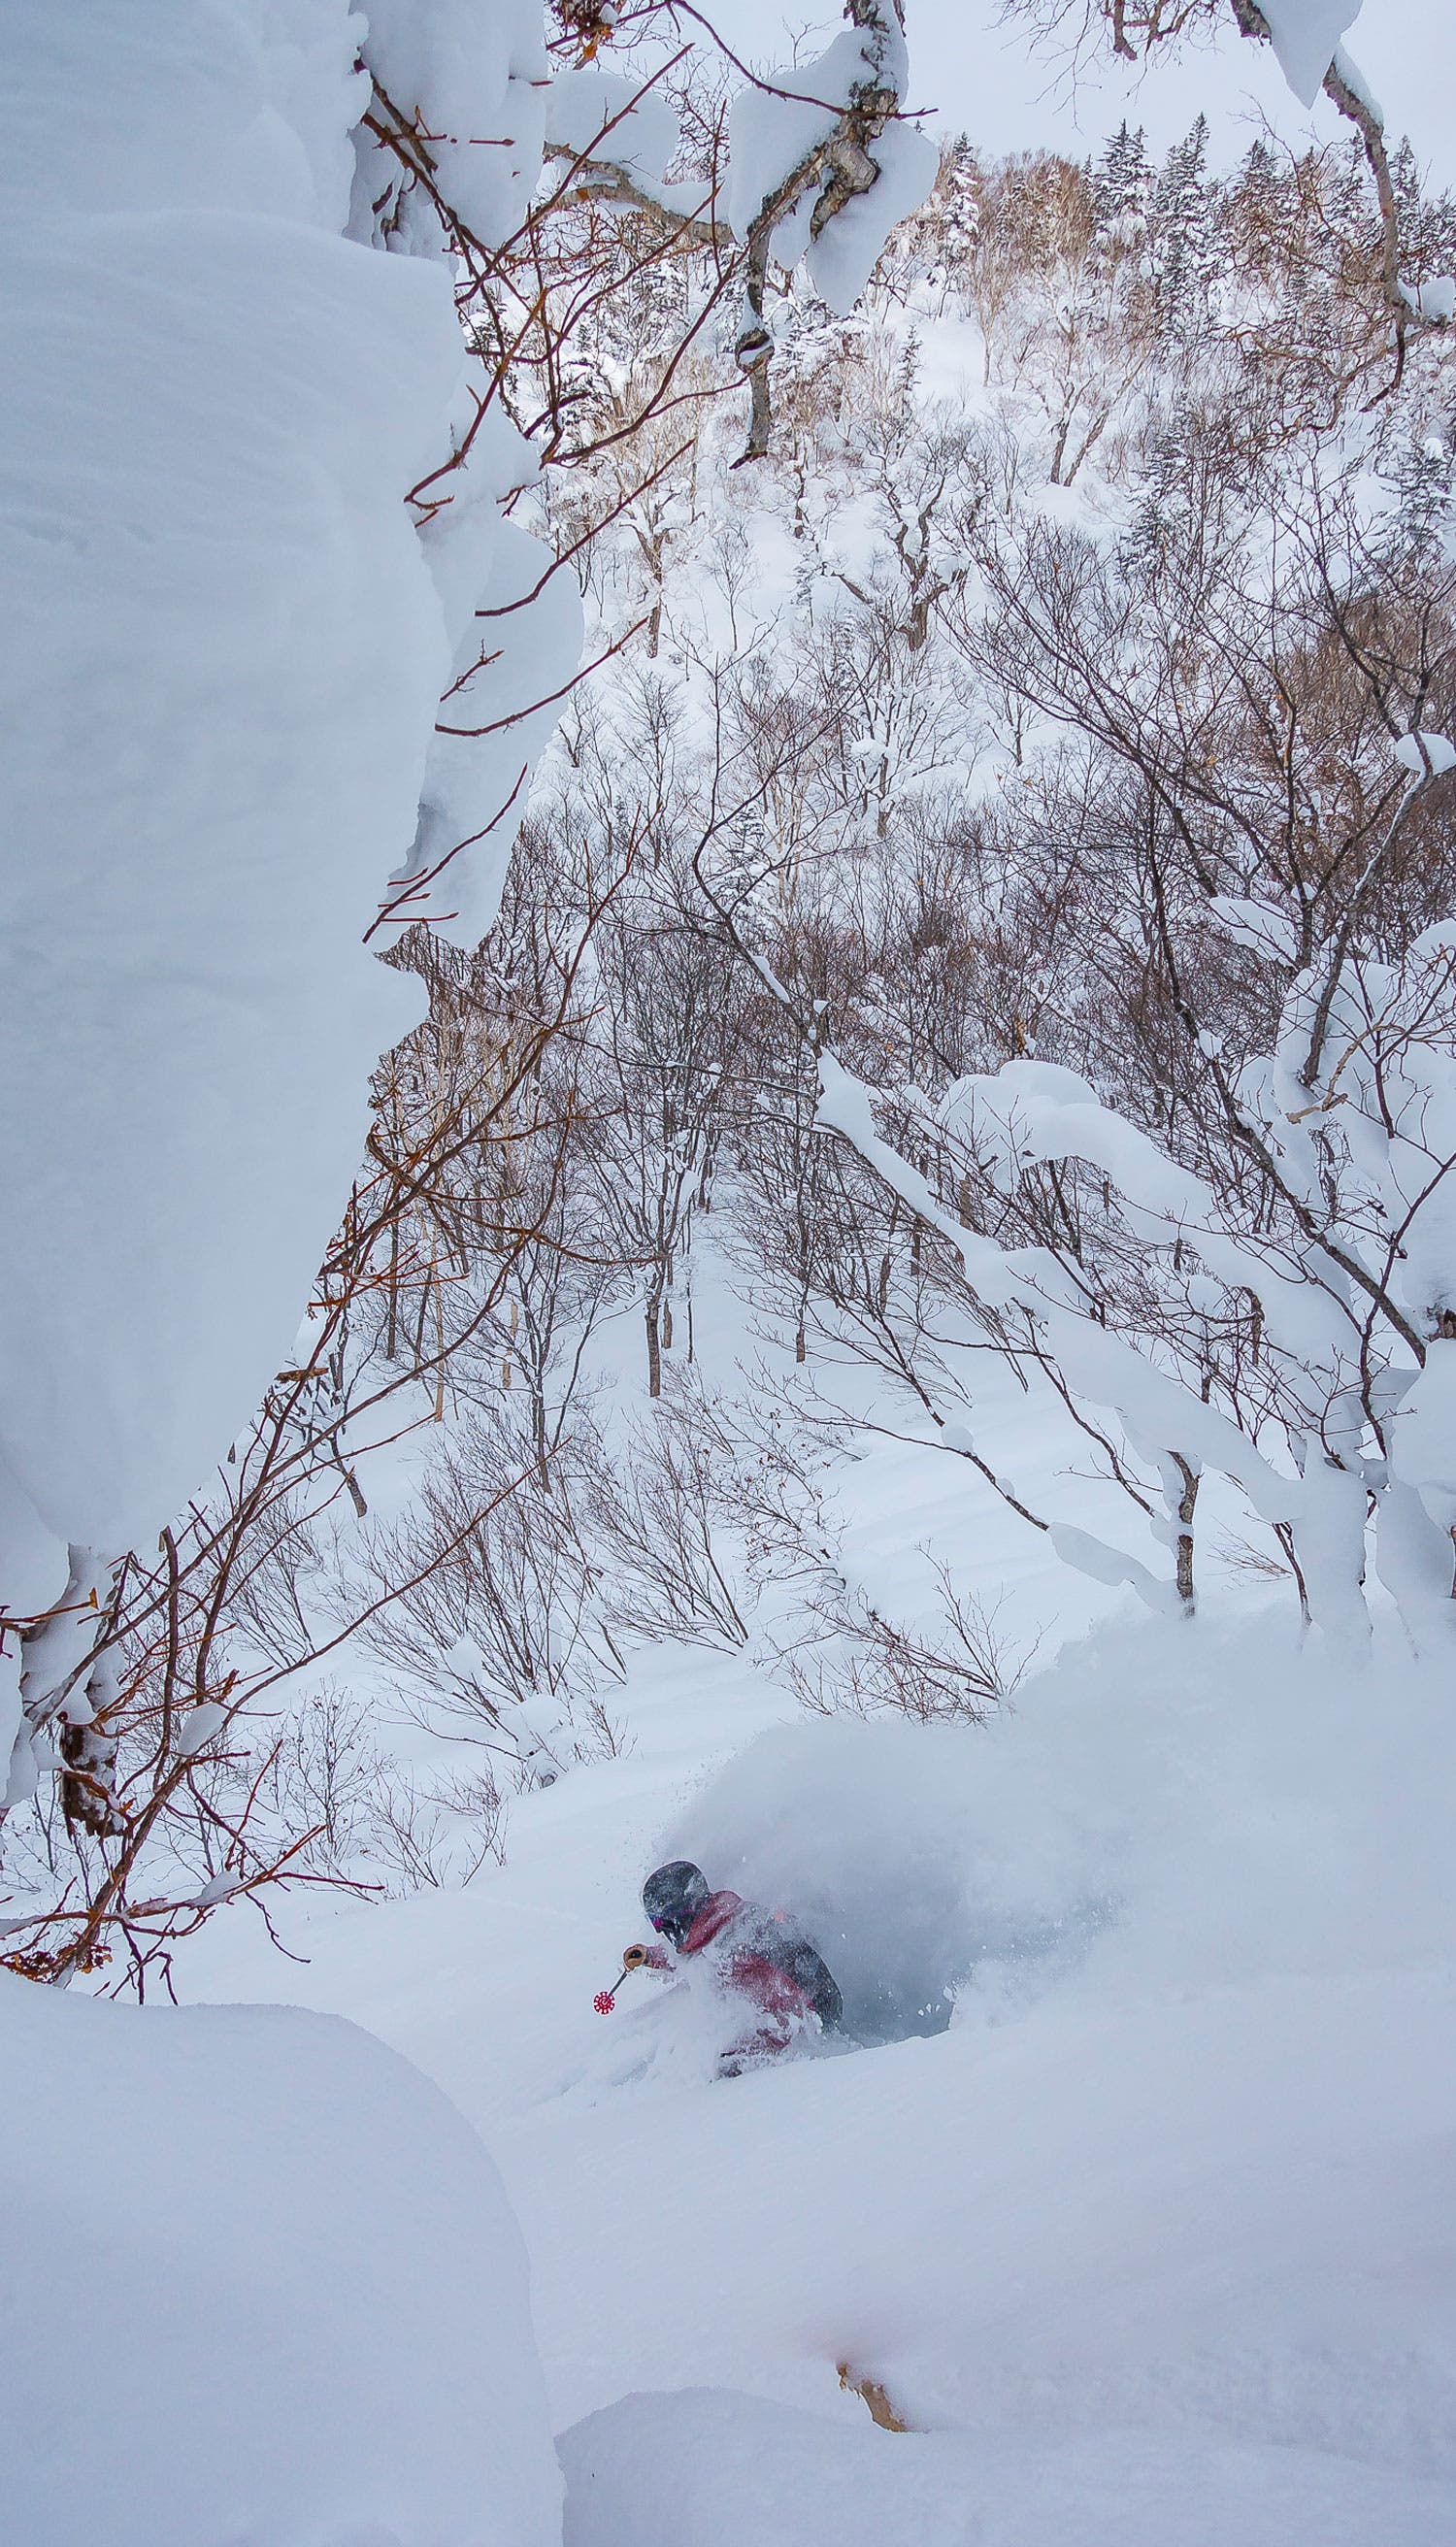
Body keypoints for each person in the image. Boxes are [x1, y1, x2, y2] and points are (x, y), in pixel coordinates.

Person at [625, 1860, 843, 2072]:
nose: (659, 1931)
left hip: (811, 2026)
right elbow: (691, 1958)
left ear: (681, 1916)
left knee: (722, 2070)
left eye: (659, 1922)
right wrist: (648, 1957)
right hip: (792, 2014)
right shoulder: (718, 1925)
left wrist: (753, 2052)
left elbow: (800, 2006)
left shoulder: (735, 1946)